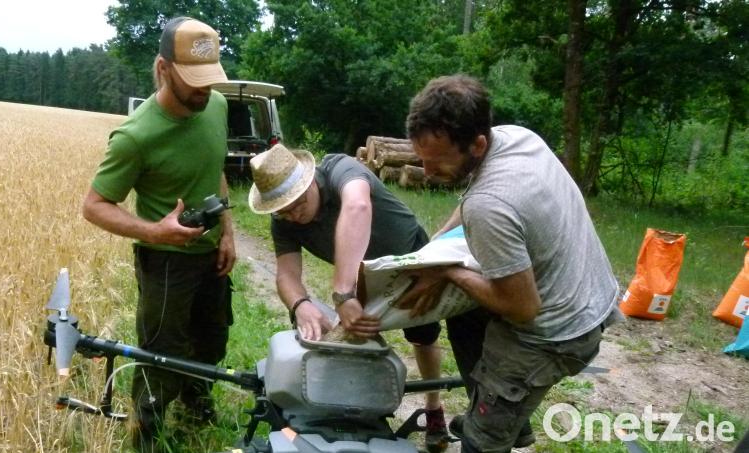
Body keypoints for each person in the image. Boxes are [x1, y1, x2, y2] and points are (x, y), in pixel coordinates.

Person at [400, 74, 622, 453]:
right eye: (421, 157)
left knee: (478, 444)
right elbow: (472, 201)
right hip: (593, 298)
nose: (427, 170)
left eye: (437, 161)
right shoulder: (518, 137)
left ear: (477, 144)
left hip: (554, 334)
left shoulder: (491, 204)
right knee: (465, 314)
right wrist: (434, 245)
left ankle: (489, 430)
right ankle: (505, 420)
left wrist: (448, 270)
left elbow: (522, 308)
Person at [82, 16, 236, 453]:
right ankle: (145, 434)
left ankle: (197, 406)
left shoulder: (216, 106)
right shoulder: (136, 136)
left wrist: (228, 233)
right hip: (166, 263)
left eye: (210, 80)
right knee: (160, 354)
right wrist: (155, 232)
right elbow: (93, 206)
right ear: (164, 68)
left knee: (211, 338)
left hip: (212, 255)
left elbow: (216, 169)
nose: (203, 91)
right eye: (194, 81)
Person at [247, 144, 450, 452]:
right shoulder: (284, 221)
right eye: (282, 210)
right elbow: (287, 275)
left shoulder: (341, 169)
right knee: (348, 338)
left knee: (423, 337)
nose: (292, 214)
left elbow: (357, 206)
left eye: (296, 204)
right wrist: (300, 305)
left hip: (410, 259)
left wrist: (343, 294)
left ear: (311, 182)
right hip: (360, 275)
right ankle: (353, 408)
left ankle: (434, 409)